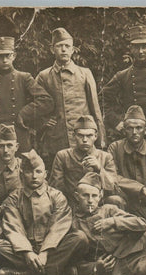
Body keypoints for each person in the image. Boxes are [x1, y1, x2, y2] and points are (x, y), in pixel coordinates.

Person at [0, 149, 89, 275]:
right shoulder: (15, 198)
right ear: (21, 174)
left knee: (80, 238)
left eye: (38, 172)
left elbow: (59, 227)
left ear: (45, 174)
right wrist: (27, 252)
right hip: (25, 250)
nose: (34, 176)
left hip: (52, 249)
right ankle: (56, 271)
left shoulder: (56, 196)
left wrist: (45, 252)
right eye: (29, 172)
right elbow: (14, 227)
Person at [36, 27, 106, 170]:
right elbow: (34, 106)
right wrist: (43, 121)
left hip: (82, 137)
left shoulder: (85, 73)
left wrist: (101, 140)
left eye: (67, 46)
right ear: (52, 49)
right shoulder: (43, 76)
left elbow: (95, 109)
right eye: (59, 46)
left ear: (73, 49)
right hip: (55, 139)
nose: (63, 49)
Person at [0, 36, 53, 152]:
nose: (4, 60)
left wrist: (24, 114)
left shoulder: (24, 78)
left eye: (8, 55)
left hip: (19, 136)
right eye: (0, 56)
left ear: (14, 56)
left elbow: (46, 101)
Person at [102, 25, 146, 149]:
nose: (141, 51)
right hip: (132, 135)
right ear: (131, 49)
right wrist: (117, 122)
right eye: (136, 47)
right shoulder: (122, 76)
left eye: (144, 46)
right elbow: (103, 99)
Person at [108, 105, 146, 219]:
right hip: (124, 203)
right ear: (124, 130)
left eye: (139, 128)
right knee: (113, 201)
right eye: (129, 128)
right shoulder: (114, 148)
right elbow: (112, 177)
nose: (134, 132)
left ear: (145, 130)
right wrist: (141, 189)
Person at [49, 115, 120, 209]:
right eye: (80, 135)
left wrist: (100, 169)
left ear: (95, 136)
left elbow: (114, 189)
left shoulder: (105, 157)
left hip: (98, 205)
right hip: (73, 205)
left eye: (89, 135)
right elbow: (56, 187)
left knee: (116, 200)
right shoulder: (63, 156)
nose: (85, 140)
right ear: (74, 136)